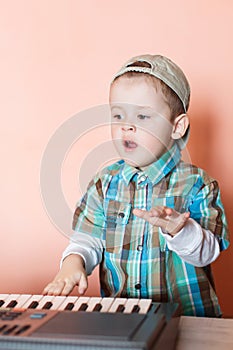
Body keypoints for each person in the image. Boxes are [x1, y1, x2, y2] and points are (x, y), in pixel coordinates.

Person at [43, 54, 229, 316]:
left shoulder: (198, 184)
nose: (127, 127)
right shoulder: (104, 184)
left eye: (142, 117)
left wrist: (181, 230)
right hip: (123, 319)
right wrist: (73, 264)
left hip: (188, 320)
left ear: (177, 127)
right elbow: (88, 240)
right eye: (118, 115)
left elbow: (207, 253)